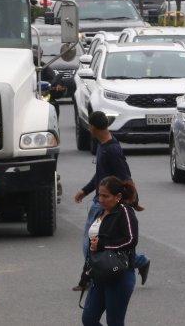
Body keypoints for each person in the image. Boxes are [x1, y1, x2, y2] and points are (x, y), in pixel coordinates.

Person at [73, 111, 149, 291]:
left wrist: (133, 201)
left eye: (89, 126)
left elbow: (125, 176)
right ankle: (139, 261)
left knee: (89, 243)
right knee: (98, 241)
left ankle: (89, 278)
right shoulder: (102, 146)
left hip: (106, 203)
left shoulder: (112, 150)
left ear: (93, 127)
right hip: (99, 200)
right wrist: (85, 190)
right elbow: (100, 175)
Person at [80, 176, 139, 326]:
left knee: (114, 322)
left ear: (118, 196)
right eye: (99, 195)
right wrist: (86, 272)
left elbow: (131, 240)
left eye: (106, 196)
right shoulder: (100, 212)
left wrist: (104, 245)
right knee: (89, 319)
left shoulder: (125, 212)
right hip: (99, 273)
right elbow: (93, 245)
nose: (101, 199)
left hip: (119, 274)